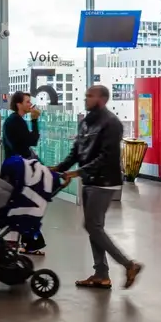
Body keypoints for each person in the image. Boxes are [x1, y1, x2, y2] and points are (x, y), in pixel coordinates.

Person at [55, 85, 144, 290]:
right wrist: (58, 169)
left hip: (104, 181)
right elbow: (76, 151)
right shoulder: (86, 122)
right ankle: (101, 274)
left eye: (90, 96)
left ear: (102, 99)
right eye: (85, 95)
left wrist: (78, 172)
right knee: (95, 228)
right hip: (90, 180)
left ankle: (129, 265)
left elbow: (107, 157)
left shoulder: (111, 123)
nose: (85, 99)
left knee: (92, 226)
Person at [3, 91, 45, 255]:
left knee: (24, 205)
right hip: (19, 170)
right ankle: (29, 242)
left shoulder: (15, 121)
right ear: (19, 104)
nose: (30, 104)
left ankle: (29, 242)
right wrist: (35, 120)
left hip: (17, 168)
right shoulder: (16, 122)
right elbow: (31, 141)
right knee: (25, 206)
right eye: (27, 102)